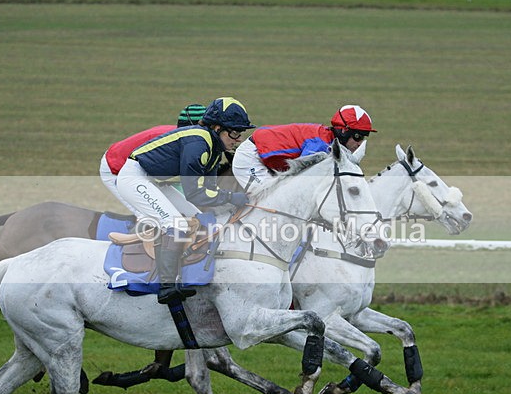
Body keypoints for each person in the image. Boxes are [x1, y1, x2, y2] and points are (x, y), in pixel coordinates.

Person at [115, 97, 255, 304]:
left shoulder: (214, 149)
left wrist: (232, 201)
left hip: (154, 181)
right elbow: (196, 194)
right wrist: (233, 198)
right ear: (217, 128)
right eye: (234, 132)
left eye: (240, 133)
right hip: (134, 178)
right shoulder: (198, 143)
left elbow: (210, 190)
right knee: (175, 224)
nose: (238, 139)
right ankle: (166, 287)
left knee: (199, 218)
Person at [231, 104, 376, 190]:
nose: (359, 143)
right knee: (270, 198)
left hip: (266, 159)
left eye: (364, 137)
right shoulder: (321, 145)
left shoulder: (329, 142)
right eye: (358, 136)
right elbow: (302, 181)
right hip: (251, 158)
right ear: (344, 130)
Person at [99, 104, 207, 212]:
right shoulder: (180, 143)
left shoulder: (186, 139)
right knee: (149, 215)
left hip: (140, 169)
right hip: (115, 168)